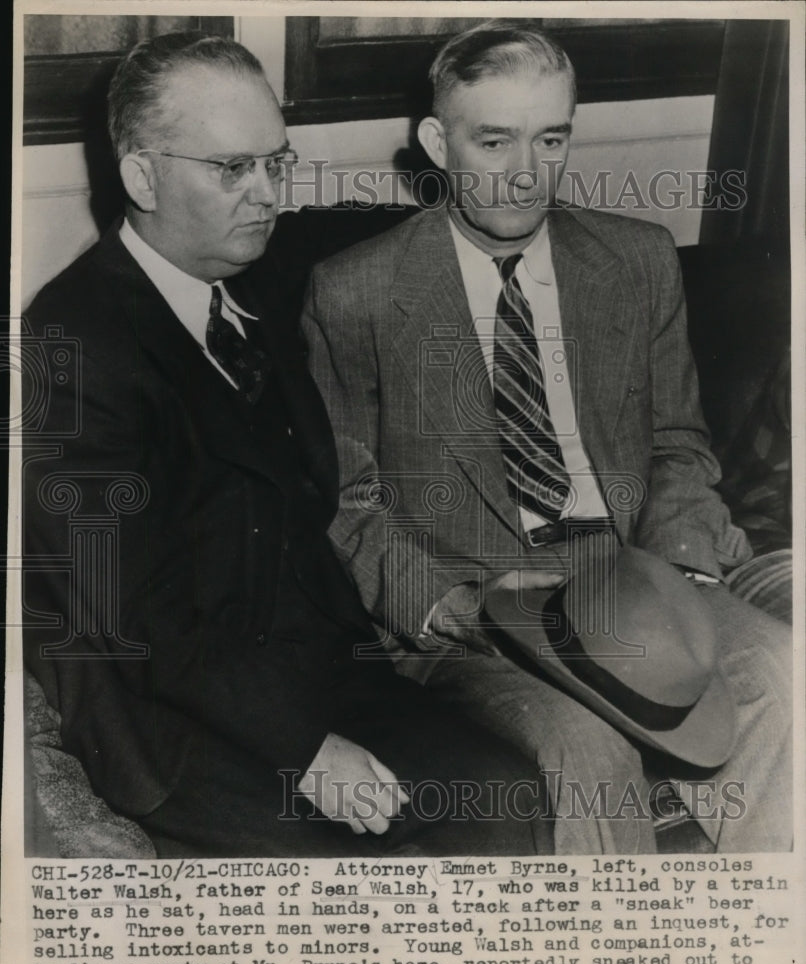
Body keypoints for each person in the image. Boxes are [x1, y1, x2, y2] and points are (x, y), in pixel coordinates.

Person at [22, 30, 553, 858]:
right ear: (139, 175)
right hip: (175, 712)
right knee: (360, 862)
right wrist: (305, 751)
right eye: (233, 168)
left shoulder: (260, 281)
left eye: (279, 161)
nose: (268, 193)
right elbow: (130, 611)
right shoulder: (71, 343)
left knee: (504, 795)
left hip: (323, 672)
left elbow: (389, 229)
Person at [303, 20, 792, 853]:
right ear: (435, 141)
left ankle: (755, 955)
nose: (526, 175)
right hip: (479, 607)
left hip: (626, 580)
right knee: (584, 751)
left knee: (786, 680)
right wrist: (459, 608)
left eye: (551, 138)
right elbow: (353, 505)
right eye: (493, 141)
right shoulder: (356, 292)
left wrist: (676, 573)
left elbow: (678, 444)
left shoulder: (636, 261)